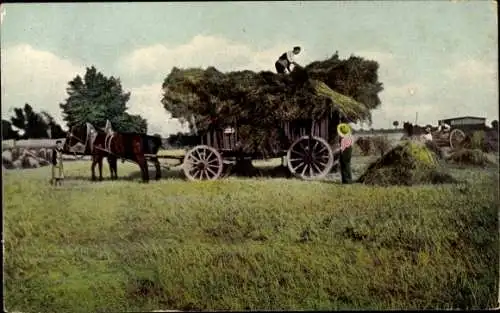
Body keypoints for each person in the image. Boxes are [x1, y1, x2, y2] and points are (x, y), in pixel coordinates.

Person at [337, 115, 354, 184]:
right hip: (349, 149)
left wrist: (341, 150)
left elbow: (343, 145)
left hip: (345, 150)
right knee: (347, 164)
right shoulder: (349, 133)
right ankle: (348, 180)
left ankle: (346, 181)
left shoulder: (344, 133)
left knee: (344, 164)